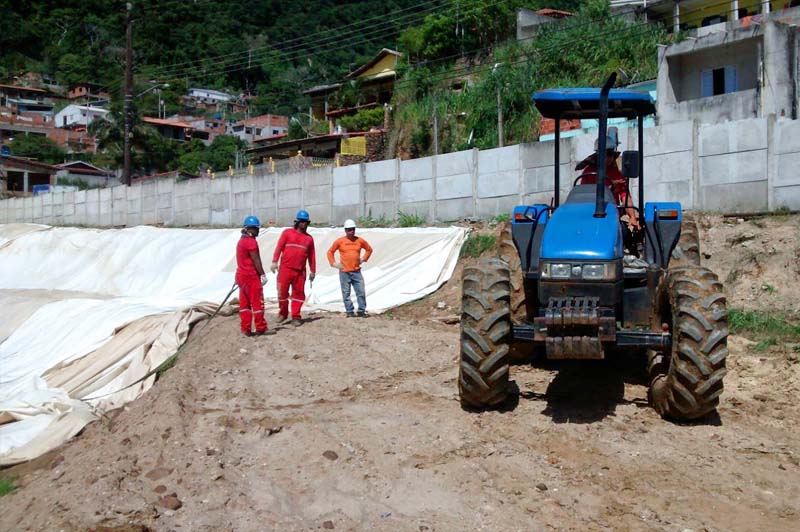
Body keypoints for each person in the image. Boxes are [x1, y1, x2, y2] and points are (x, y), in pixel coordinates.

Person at [271, 209, 316, 325]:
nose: (304, 224)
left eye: (306, 222)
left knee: (298, 294)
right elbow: (279, 247)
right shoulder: (287, 233)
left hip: (300, 272)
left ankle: (296, 316)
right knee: (282, 293)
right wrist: (274, 261)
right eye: (301, 221)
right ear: (297, 222)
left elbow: (312, 256)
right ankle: (283, 314)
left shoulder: (309, 239)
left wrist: (313, 270)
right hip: (285, 269)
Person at [236, 216, 275, 337]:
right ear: (250, 228)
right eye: (256, 228)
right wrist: (262, 274)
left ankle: (245, 328)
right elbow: (256, 260)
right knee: (257, 303)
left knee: (244, 304)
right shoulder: (251, 242)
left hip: (241, 276)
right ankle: (261, 327)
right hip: (251, 276)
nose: (258, 231)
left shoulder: (241, 241)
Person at [327, 219, 373, 317]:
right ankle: (349, 311)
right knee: (346, 293)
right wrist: (333, 263)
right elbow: (330, 251)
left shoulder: (360, 241)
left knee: (360, 291)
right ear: (345, 230)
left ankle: (361, 311)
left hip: (356, 271)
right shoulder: (340, 241)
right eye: (348, 230)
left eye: (352, 229)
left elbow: (369, 249)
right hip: (344, 272)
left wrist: (364, 259)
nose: (351, 231)